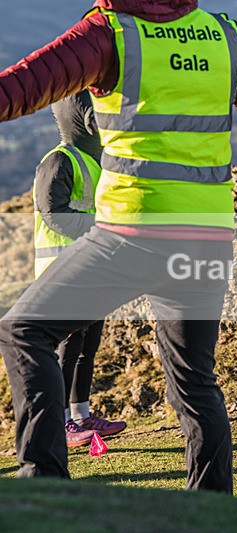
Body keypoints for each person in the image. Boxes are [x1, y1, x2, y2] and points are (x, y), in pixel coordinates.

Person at [0, 0, 237, 493]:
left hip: (132, 235)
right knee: (195, 384)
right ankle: (211, 510)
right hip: (208, 240)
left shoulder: (111, 34)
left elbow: (22, 87)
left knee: (24, 330)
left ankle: (44, 485)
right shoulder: (226, 38)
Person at [34, 90, 126, 448]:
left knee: (88, 344)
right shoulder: (59, 160)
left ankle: (81, 417)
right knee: (67, 347)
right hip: (62, 268)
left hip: (93, 266)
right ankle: (61, 424)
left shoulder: (98, 161)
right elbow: (52, 212)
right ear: (87, 120)